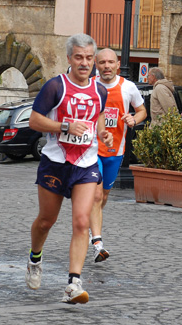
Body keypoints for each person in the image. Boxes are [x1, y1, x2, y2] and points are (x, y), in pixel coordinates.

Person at [25, 33, 113, 304]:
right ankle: (35, 258)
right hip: (55, 162)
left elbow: (97, 119)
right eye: (79, 57)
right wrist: (64, 126)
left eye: (89, 58)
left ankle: (73, 284)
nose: (84, 63)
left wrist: (103, 134)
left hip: (86, 164)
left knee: (82, 222)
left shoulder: (100, 90)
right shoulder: (55, 87)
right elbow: (34, 121)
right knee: (46, 221)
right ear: (69, 59)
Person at [89, 48, 147, 263]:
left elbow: (142, 111)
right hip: (92, 149)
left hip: (116, 151)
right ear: (96, 64)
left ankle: (91, 221)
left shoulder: (128, 87)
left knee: (103, 198)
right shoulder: (90, 85)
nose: (106, 66)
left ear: (117, 63)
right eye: (102, 62)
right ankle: (97, 243)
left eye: (110, 62)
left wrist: (134, 119)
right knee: (95, 196)